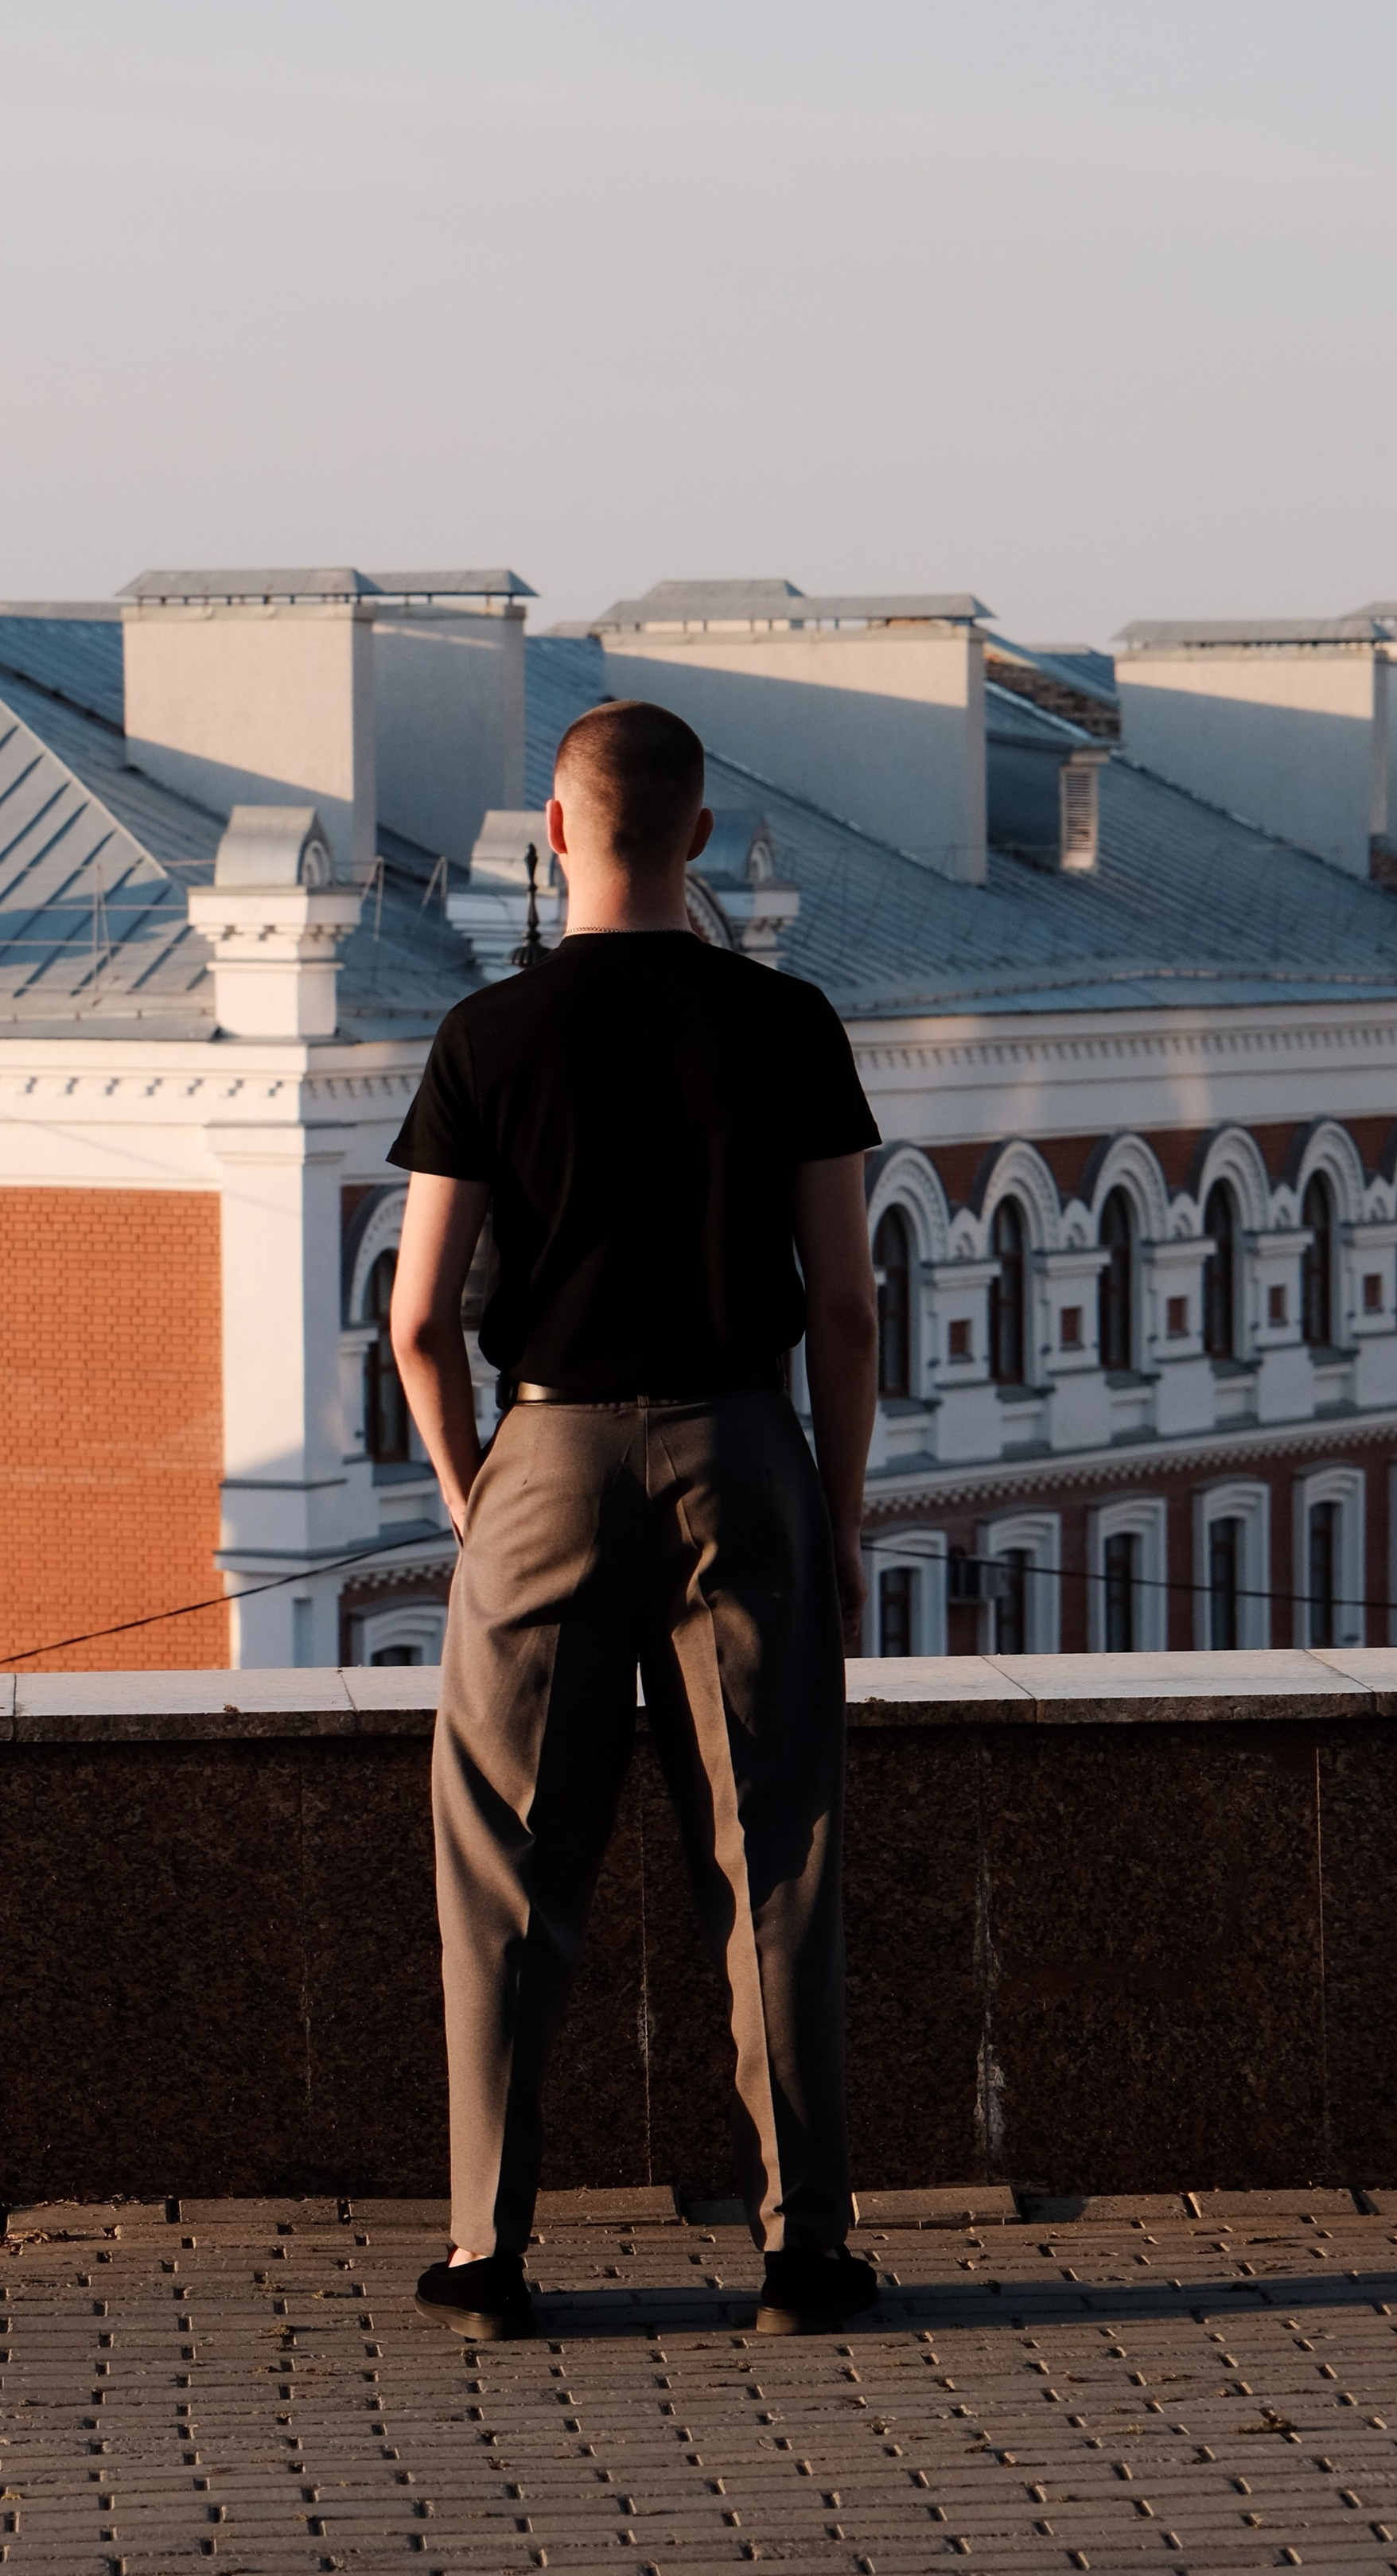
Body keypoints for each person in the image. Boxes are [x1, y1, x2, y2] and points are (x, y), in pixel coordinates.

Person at [386, 695, 882, 2341]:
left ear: (552, 831)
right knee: (772, 1859)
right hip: (743, 1446)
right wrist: (837, 1512)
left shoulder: (484, 1038)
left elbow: (411, 1319)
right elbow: (845, 1308)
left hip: (542, 1457)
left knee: (508, 1866)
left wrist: (477, 1497)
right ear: (698, 838)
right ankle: (802, 2253)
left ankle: (487, 2254)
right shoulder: (789, 1024)